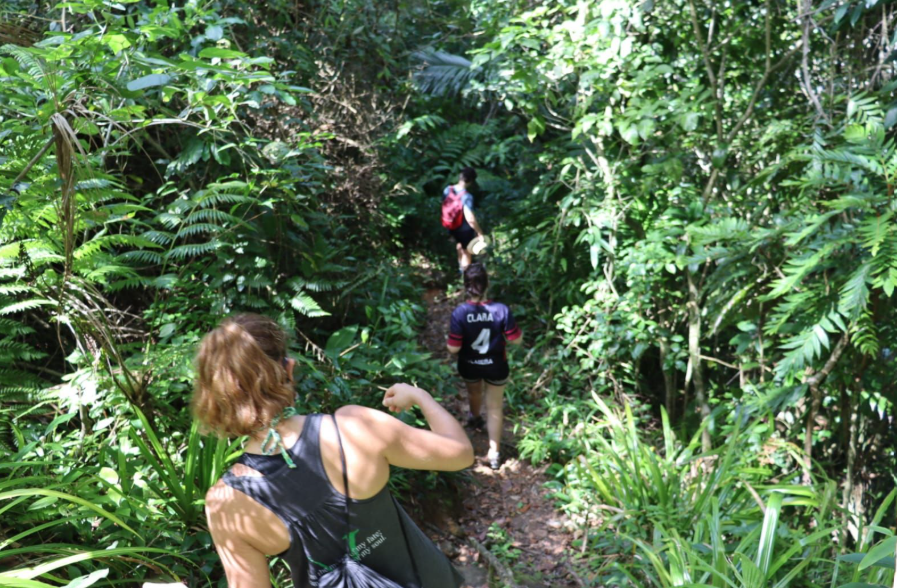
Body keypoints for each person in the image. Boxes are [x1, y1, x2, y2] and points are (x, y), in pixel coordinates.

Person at [194, 313, 471, 588]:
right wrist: (421, 396)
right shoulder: (353, 428)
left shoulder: (226, 503)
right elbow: (460, 454)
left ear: (217, 399)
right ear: (288, 369)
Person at [446, 264, 522, 470]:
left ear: (466, 286)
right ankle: (494, 453)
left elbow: (453, 348)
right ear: (487, 284)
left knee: (474, 392)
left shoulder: (460, 313)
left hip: (469, 364)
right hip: (496, 365)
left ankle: (475, 417)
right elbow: (515, 339)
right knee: (495, 407)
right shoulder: (501, 310)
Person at [441, 167, 484, 273]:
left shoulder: (448, 189)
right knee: (466, 252)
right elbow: (470, 218)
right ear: (471, 181)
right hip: (464, 229)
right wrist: (479, 232)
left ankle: (460, 270)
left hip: (451, 226)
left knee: (459, 246)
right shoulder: (467, 196)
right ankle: (466, 276)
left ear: (460, 177)